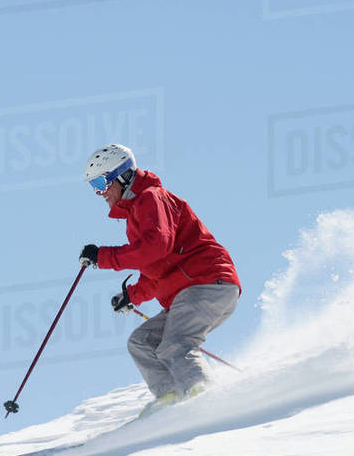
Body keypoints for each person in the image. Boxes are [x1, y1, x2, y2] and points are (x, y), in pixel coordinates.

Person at [79, 143, 240, 414]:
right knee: (142, 343)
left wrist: (103, 257)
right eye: (93, 186)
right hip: (192, 289)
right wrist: (132, 295)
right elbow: (156, 268)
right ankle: (171, 401)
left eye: (100, 182)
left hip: (207, 282)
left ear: (121, 175)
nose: (99, 192)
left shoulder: (151, 198)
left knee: (176, 345)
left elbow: (156, 247)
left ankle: (207, 403)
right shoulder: (136, 213)